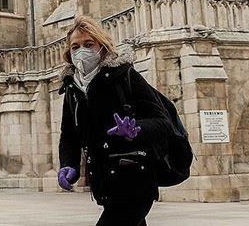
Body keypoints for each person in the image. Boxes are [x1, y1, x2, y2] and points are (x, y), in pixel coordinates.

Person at [57, 16, 172, 226]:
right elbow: (69, 135)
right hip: (105, 185)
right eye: (75, 46)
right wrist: (69, 164)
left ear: (102, 47)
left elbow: (162, 122)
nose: (81, 51)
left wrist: (136, 129)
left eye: (88, 44)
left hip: (136, 181)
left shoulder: (124, 76)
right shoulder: (73, 89)